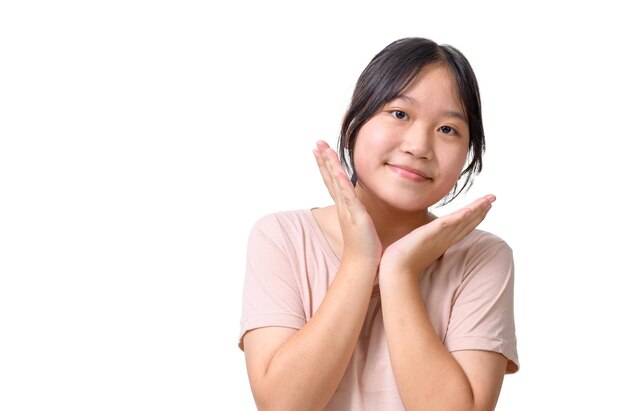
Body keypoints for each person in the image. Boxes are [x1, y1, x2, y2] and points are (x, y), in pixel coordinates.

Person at [239, 37, 519, 411]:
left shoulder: (481, 257)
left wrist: (399, 272)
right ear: (353, 122)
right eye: (400, 113)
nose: (419, 146)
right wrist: (359, 260)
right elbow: (283, 405)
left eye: (448, 129)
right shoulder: (282, 237)